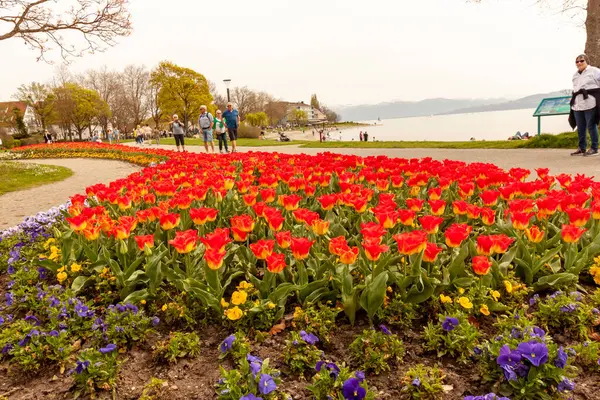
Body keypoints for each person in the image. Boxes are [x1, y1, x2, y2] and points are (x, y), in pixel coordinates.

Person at [569, 54, 600, 156]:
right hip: (577, 104)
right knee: (580, 127)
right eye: (577, 62)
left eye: (581, 61)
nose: (579, 63)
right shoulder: (575, 75)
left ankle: (594, 148)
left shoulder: (594, 71)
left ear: (586, 61)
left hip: (590, 103)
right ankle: (582, 148)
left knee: (591, 125)